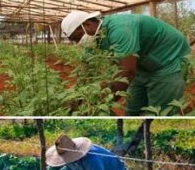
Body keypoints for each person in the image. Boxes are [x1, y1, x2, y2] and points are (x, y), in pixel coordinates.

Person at [61, 11, 190, 116]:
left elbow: (128, 72)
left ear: (88, 24)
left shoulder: (120, 28)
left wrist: (102, 104)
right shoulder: (95, 39)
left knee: (161, 112)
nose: (77, 43)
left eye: (76, 38)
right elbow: (86, 72)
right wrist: (74, 103)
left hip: (168, 60)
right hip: (141, 64)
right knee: (132, 109)